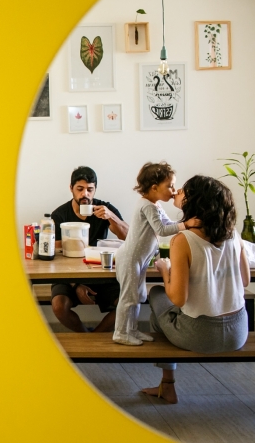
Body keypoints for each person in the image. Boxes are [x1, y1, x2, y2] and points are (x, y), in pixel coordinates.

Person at [142, 175, 250, 404]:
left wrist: (164, 269)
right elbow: (245, 281)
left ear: (195, 201)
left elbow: (178, 299)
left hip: (200, 335)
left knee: (156, 296)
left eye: (183, 190)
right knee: (164, 308)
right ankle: (166, 385)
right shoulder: (233, 233)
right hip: (238, 331)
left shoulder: (183, 240)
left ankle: (167, 384)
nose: (177, 191)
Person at [113, 162, 200, 346]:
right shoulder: (147, 206)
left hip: (139, 259)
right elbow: (161, 229)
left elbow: (169, 224)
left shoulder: (156, 205)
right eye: (170, 186)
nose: (173, 190)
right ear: (154, 187)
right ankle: (121, 332)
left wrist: (186, 222)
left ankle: (132, 329)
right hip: (130, 258)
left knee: (138, 296)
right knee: (129, 297)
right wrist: (186, 225)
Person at [50, 166, 129, 332]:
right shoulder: (60, 214)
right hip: (68, 274)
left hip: (100, 271)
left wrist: (111, 217)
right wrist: (76, 284)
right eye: (80, 189)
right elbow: (56, 257)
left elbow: (129, 238)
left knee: (128, 304)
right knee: (59, 306)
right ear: (71, 188)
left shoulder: (104, 209)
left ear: (95, 190)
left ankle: (93, 339)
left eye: (89, 189)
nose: (85, 194)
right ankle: (85, 335)